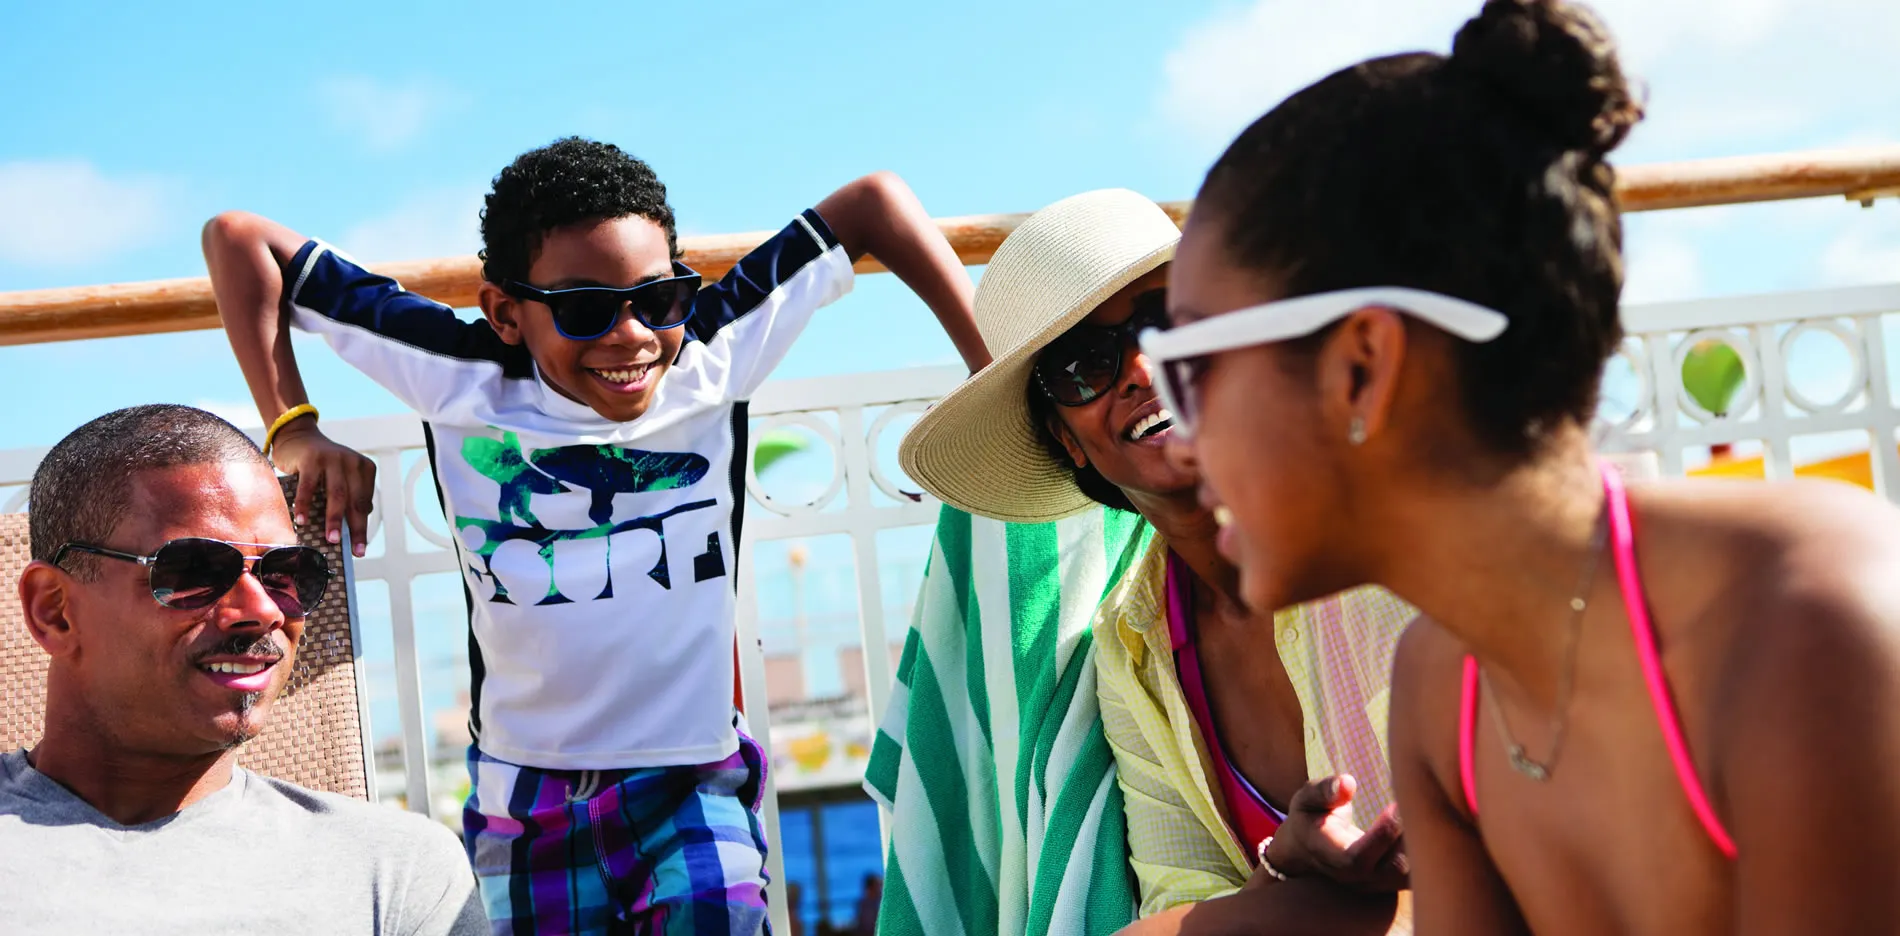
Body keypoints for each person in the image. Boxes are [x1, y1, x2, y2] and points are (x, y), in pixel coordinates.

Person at [1144, 0, 1900, 932]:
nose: (1178, 441)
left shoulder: (1806, 622)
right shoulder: (1441, 689)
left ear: (1360, 366)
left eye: (1189, 369)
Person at [202, 137, 989, 935]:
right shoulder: (457, 371)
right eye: (584, 309)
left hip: (692, 783)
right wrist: (293, 425)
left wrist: (994, 379)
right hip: (526, 802)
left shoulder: (712, 353)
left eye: (659, 299)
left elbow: (876, 203)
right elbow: (239, 240)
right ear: (506, 313)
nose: (630, 335)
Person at [900, 189, 1418, 935]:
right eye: (1085, 365)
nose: (1143, 370)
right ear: (1068, 441)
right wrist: (1288, 867)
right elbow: (1180, 897)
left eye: (1164, 323)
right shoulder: (1131, 645)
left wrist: (1280, 891)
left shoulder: (1378, 538)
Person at [1, 404, 483, 935]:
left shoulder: (395, 872)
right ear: (54, 610)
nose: (263, 610)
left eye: (285, 572)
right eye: (194, 569)